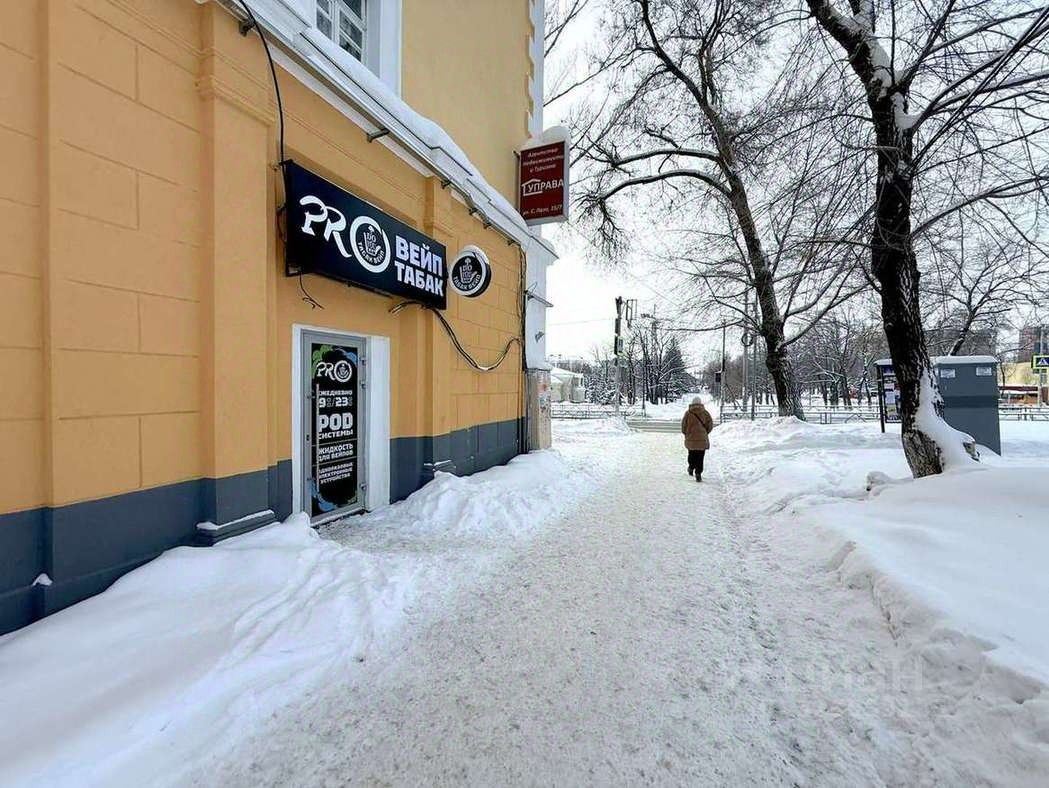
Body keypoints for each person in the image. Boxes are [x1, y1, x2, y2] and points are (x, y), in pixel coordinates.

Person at [681, 396, 715, 482]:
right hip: (702, 439)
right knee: (700, 457)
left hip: (691, 438)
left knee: (691, 454)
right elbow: (710, 425)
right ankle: (698, 473)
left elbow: (683, 426)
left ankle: (691, 467)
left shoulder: (688, 413)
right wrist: (705, 432)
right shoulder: (705, 413)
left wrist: (687, 433)